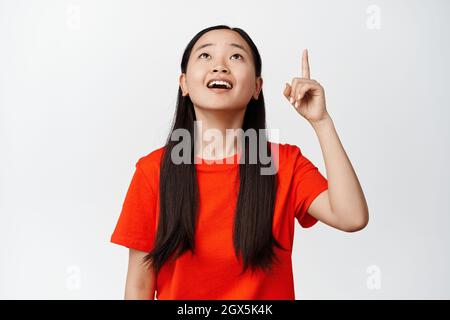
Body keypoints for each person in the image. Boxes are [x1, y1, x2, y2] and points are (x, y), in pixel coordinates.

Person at [110, 25, 369, 300]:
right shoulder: (153, 171)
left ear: (257, 87)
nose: (220, 66)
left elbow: (351, 217)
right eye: (205, 56)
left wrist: (322, 123)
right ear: (184, 84)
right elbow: (139, 287)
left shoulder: (285, 163)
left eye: (235, 57)